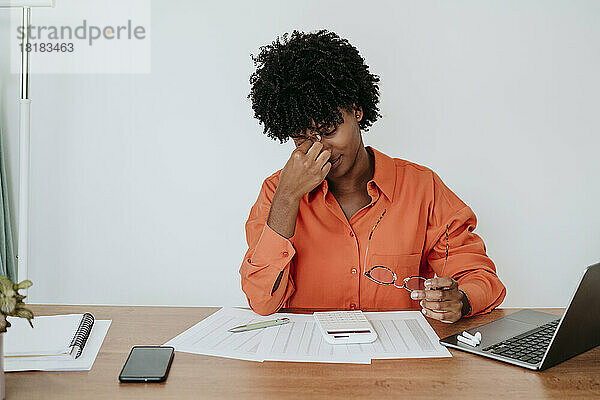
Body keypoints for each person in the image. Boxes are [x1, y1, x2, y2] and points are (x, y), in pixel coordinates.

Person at [240, 30, 506, 322]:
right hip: (311, 365)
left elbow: (480, 278)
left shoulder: (422, 189)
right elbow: (262, 301)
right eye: (303, 138)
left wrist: (461, 300)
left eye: (329, 130)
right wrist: (288, 198)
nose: (320, 149)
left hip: (398, 363)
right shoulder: (276, 193)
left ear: (356, 111)